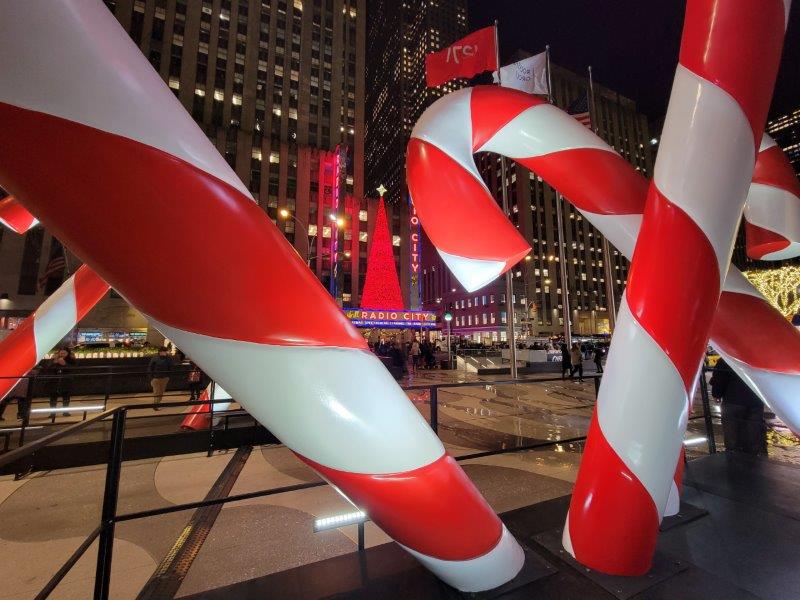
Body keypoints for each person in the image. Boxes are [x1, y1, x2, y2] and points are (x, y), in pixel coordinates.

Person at [710, 358, 766, 454]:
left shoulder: (727, 358)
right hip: (755, 401)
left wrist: (717, 394)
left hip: (733, 400)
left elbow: (719, 379)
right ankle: (754, 461)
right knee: (753, 436)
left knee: (732, 438)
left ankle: (734, 462)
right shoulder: (757, 357)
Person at [46, 348, 76, 416]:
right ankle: (52, 413)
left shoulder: (71, 359)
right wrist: (54, 363)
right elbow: (48, 367)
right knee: (53, 397)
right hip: (54, 381)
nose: (62, 355)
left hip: (66, 381)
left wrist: (65, 364)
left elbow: (74, 368)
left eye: (64, 353)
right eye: (61, 353)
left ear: (68, 353)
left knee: (66, 396)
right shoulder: (54, 359)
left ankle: (65, 412)